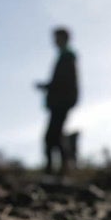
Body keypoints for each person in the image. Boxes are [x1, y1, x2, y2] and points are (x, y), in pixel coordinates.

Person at [36, 27, 79, 175]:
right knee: (55, 136)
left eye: (56, 38)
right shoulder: (64, 56)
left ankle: (56, 172)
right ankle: (60, 170)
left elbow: (63, 81)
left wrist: (48, 86)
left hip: (61, 102)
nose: (54, 41)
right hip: (60, 101)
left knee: (52, 137)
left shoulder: (67, 57)